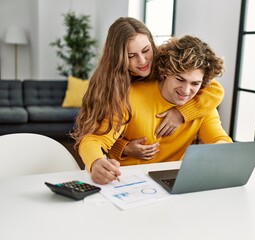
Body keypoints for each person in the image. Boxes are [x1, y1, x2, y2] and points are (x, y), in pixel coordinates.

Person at [72, 17, 225, 183]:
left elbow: (215, 93)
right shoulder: (123, 93)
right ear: (166, 71)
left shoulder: (201, 100)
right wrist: (106, 156)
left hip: (172, 181)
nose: (143, 61)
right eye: (131, 56)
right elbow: (95, 138)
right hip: (131, 179)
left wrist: (181, 113)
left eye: (146, 50)